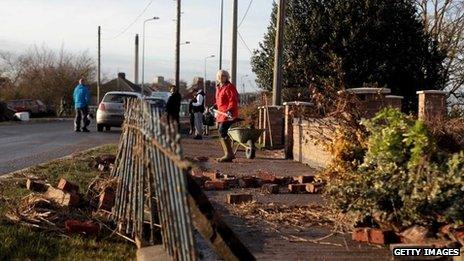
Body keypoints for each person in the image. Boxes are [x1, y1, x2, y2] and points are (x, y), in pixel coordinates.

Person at [212, 70, 239, 162]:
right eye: (220, 75)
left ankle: (229, 154)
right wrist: (215, 105)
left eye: (224, 75)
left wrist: (230, 110)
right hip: (221, 114)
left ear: (227, 77)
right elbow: (219, 100)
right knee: (220, 132)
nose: (221, 77)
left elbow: (233, 100)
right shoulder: (219, 87)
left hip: (229, 114)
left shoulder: (229, 87)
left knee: (222, 130)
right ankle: (229, 154)